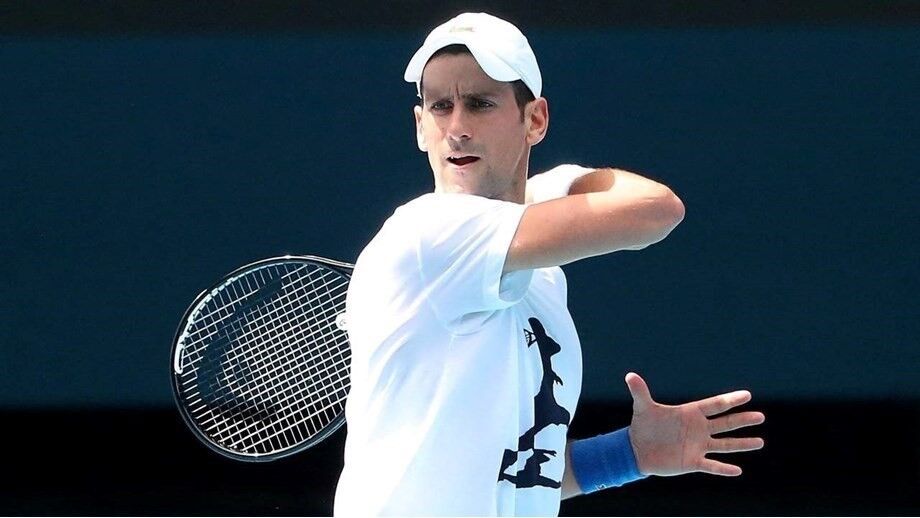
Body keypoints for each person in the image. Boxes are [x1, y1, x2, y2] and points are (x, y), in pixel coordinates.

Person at [333, 12, 764, 516]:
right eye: (440, 106)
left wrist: (630, 455)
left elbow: (518, 475)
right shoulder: (429, 233)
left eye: (480, 104)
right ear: (419, 126)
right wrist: (554, 183)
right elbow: (656, 209)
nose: (457, 129)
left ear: (535, 119)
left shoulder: (543, 280)